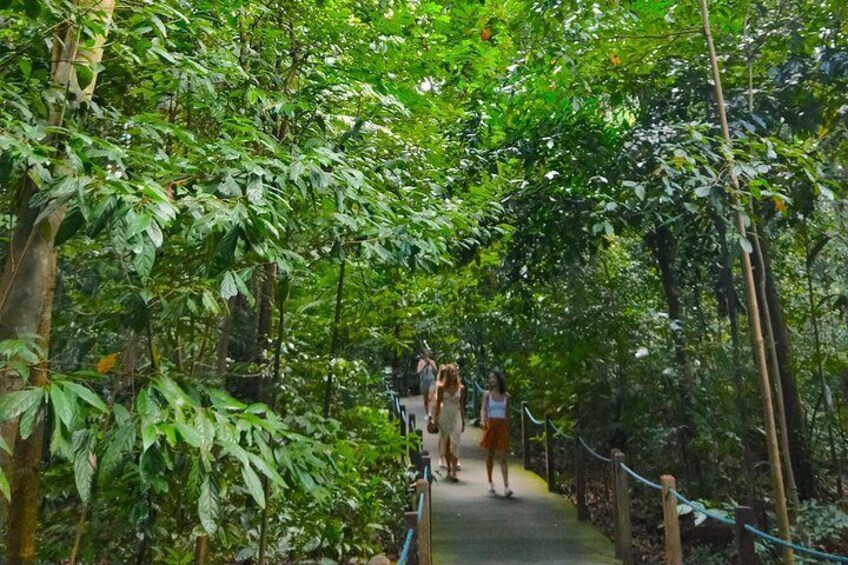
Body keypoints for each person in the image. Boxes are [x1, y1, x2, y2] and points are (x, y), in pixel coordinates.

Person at [480, 370, 512, 497]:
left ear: (498, 379)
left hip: (502, 426)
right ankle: (490, 481)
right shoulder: (487, 395)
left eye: (493, 377)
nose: (491, 379)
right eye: (490, 377)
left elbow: (508, 413)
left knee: (503, 456)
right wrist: (483, 420)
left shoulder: (506, 396)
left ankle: (506, 486)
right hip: (491, 425)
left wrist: (508, 428)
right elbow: (483, 408)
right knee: (490, 454)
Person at [433, 363, 465, 481]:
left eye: (455, 372)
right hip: (444, 415)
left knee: (455, 442)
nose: (453, 374)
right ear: (447, 374)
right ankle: (449, 469)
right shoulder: (441, 387)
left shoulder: (461, 388)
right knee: (446, 441)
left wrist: (463, 419)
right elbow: (437, 404)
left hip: (456, 415)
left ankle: (454, 471)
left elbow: (461, 405)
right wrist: (435, 420)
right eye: (451, 372)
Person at [417, 350, 437, 417]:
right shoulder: (420, 362)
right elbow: (418, 372)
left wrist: (431, 364)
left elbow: (435, 371)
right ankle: (427, 413)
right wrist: (424, 365)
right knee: (425, 399)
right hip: (423, 381)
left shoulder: (432, 362)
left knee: (430, 397)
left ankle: (430, 412)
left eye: (427, 355)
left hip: (431, 381)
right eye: (425, 356)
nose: (426, 357)